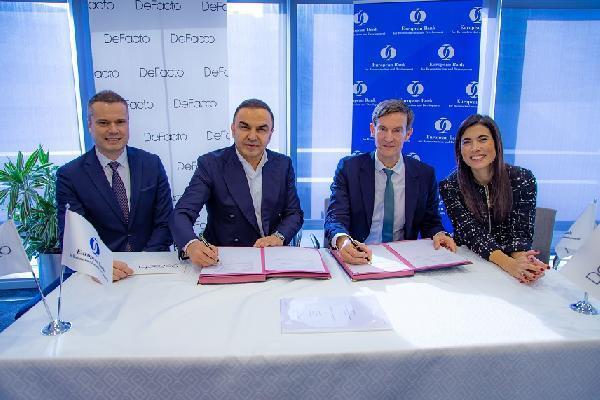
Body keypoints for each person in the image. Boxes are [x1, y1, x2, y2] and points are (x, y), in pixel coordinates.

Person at [170, 99, 303, 267]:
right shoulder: (211, 165)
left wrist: (279, 237)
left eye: (261, 129)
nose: (252, 136)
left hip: (271, 257)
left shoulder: (283, 164)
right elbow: (181, 213)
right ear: (233, 129)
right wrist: (191, 244)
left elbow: (294, 213)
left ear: (270, 134)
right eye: (244, 127)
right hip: (223, 259)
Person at [57, 90, 173, 282]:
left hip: (153, 268)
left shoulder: (151, 164)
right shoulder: (70, 175)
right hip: (100, 274)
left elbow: (165, 222)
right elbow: (73, 234)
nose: (113, 130)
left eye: (120, 122)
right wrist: (101, 263)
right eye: (104, 123)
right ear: (90, 125)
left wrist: (145, 261)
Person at [324, 99, 456, 265]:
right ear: (372, 130)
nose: (388, 138)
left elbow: (430, 222)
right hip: (359, 254)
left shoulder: (424, 174)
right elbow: (336, 217)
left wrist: (439, 234)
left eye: (397, 130)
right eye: (383, 129)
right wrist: (343, 240)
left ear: (408, 134)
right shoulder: (349, 169)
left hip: (405, 258)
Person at [439, 114, 548, 284]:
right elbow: (473, 234)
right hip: (470, 262)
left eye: (483, 139)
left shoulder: (522, 179)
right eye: (467, 142)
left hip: (510, 259)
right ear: (459, 149)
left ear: (496, 143)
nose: (475, 148)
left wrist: (523, 262)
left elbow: (520, 233)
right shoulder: (450, 186)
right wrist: (509, 265)